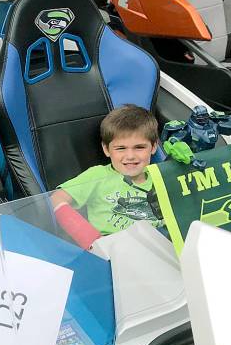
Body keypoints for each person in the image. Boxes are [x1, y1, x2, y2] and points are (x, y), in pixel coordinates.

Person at [50, 104, 163, 243]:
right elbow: (56, 199)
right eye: (121, 148)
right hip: (110, 249)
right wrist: (88, 238)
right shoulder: (97, 176)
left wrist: (182, 166)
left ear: (153, 147)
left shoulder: (162, 175)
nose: (130, 156)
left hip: (159, 247)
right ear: (106, 149)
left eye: (139, 147)